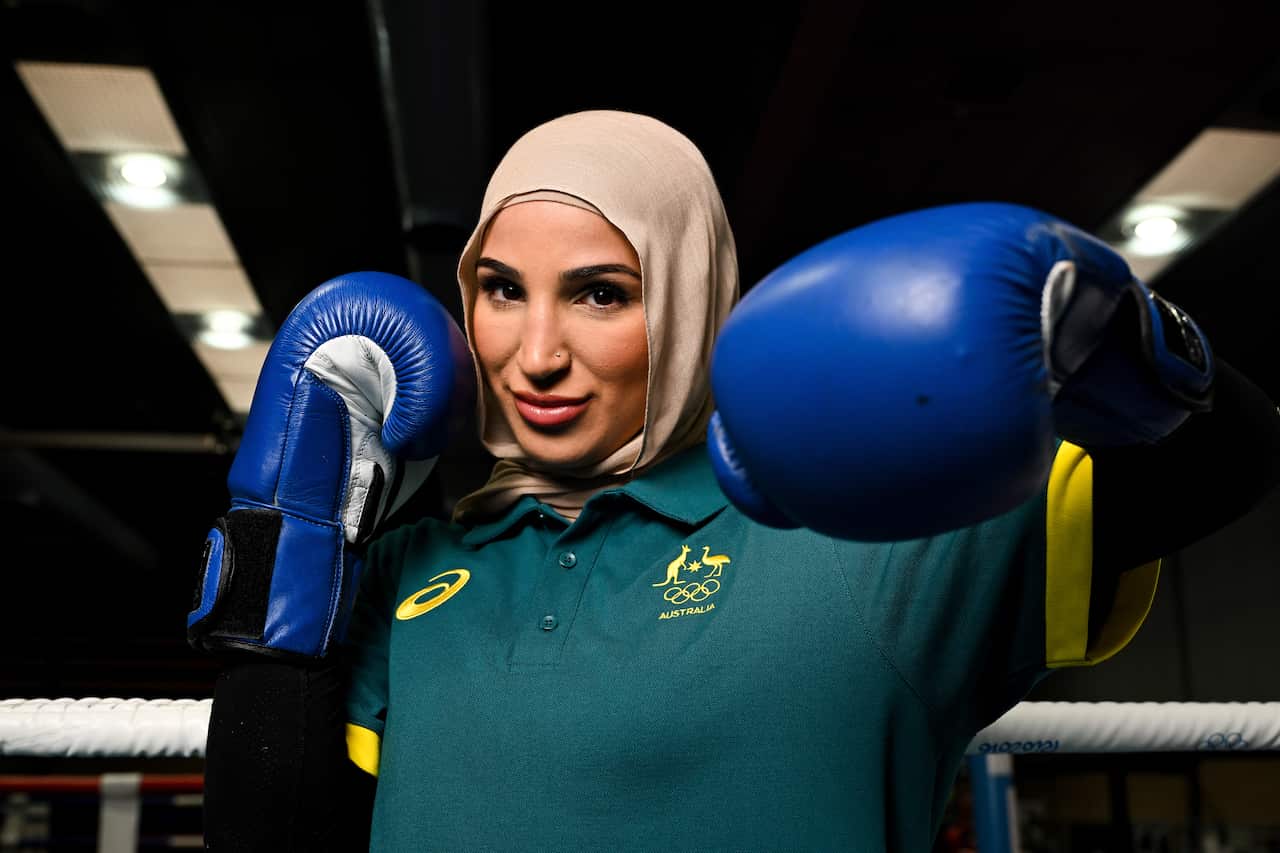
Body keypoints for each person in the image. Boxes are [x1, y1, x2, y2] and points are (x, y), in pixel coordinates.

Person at [190, 110, 1280, 851]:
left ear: (689, 294)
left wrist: (1119, 338)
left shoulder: (865, 523)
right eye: (499, 288)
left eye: (601, 293)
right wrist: (286, 528)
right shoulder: (406, 569)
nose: (533, 353)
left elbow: (1222, 465)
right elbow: (271, 831)